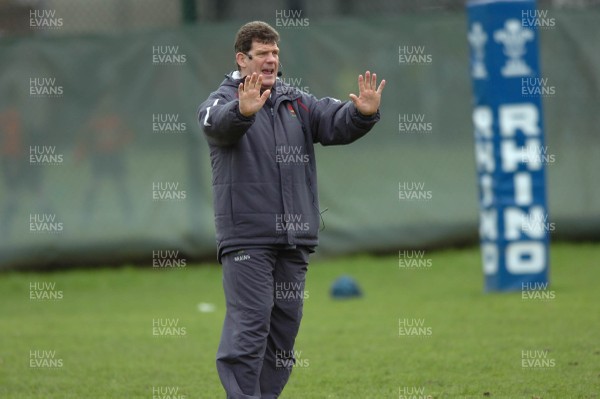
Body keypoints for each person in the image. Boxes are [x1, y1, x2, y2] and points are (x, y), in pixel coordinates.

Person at [197, 20, 385, 399]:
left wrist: (361, 114)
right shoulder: (221, 101)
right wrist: (242, 112)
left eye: (275, 53)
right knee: (250, 327)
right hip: (248, 237)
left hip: (294, 237)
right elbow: (216, 125)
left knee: (283, 332)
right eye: (262, 53)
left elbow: (333, 121)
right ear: (242, 59)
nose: (271, 59)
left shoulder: (294, 100)